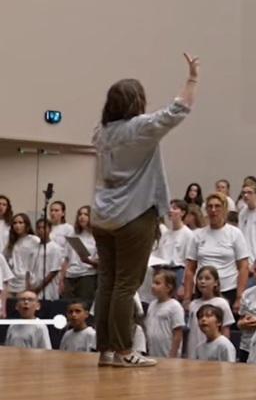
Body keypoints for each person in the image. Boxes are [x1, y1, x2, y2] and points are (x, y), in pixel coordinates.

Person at [90, 53, 198, 367]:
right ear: (136, 101)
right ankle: (124, 351)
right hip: (133, 214)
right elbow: (178, 109)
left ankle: (107, 350)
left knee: (107, 282)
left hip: (102, 215)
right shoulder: (140, 127)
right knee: (126, 284)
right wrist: (191, 78)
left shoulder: (102, 131)